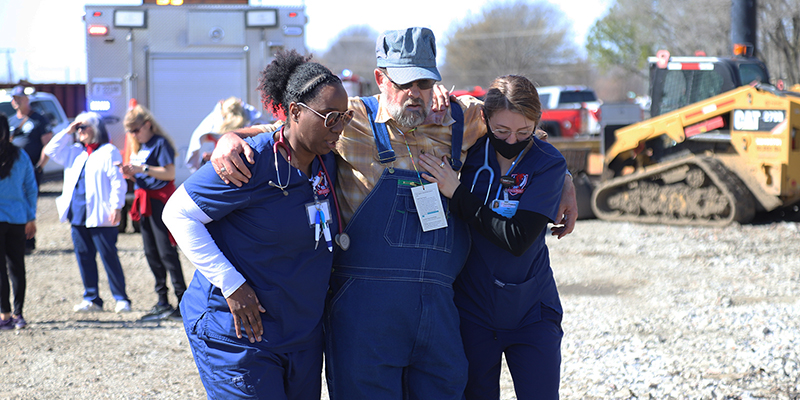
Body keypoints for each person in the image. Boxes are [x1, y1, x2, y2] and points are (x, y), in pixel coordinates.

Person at [211, 27, 577, 399]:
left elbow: (519, 134)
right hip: (366, 311)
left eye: (423, 81)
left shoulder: (462, 117)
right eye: (403, 83)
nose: (414, 94)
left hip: (439, 308)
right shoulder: (346, 120)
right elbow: (288, 131)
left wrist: (562, 179)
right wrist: (231, 138)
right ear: (380, 78)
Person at [162, 49, 349, 399]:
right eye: (329, 117)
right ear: (295, 112)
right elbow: (176, 213)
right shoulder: (249, 161)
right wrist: (231, 284)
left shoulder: (326, 160)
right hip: (239, 336)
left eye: (344, 116)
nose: (338, 127)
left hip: (300, 335)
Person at [418, 75, 566, 399]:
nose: (511, 140)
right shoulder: (470, 151)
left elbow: (517, 238)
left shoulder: (548, 163)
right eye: (501, 131)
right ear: (485, 119)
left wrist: (458, 194)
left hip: (532, 311)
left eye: (524, 132)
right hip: (473, 311)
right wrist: (436, 93)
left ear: (536, 125)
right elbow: (411, 112)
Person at [43, 112, 131, 313]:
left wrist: (117, 206)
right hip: (78, 214)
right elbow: (50, 149)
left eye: (84, 127)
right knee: (84, 256)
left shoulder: (109, 151)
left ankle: (121, 298)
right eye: (78, 128)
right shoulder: (75, 151)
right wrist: (68, 131)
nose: (80, 131)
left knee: (109, 255)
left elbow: (118, 181)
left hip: (101, 214)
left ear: (97, 129)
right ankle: (92, 298)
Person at [120, 105, 186, 322]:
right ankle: (162, 300)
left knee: (166, 252)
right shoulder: (142, 145)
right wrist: (130, 173)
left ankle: (182, 301)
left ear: (147, 124)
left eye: (135, 130)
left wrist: (142, 170)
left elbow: (170, 173)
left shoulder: (160, 143)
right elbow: (143, 174)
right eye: (130, 131)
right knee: (151, 252)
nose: (133, 135)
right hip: (144, 200)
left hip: (159, 201)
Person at [0, 114, 37, 330]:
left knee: (0, 270)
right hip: (18, 218)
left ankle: (4, 315)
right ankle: (19, 314)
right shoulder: (21, 156)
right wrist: (31, 216)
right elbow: (30, 188)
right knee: (17, 267)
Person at [9, 85, 52, 254]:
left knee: (28, 202)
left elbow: (47, 145)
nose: (16, 101)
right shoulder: (12, 121)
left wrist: (40, 166)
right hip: (12, 171)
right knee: (15, 201)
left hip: (31, 169)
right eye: (14, 98)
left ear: (27, 99)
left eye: (19, 98)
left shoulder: (39, 119)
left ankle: (29, 240)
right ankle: (16, 238)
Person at [184, 96, 262, 173]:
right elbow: (264, 124)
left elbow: (196, 140)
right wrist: (245, 106)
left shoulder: (217, 131)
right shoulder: (250, 129)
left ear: (223, 113)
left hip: (224, 170)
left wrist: (195, 169)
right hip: (249, 168)